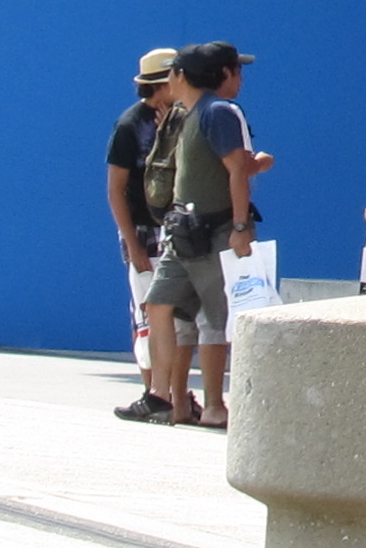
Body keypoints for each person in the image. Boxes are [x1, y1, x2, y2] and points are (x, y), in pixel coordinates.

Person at [150, 42, 259, 427]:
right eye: (237, 71)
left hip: (217, 230)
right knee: (159, 305)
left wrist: (240, 227)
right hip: (185, 232)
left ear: (183, 75)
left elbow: (236, 170)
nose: (240, 79)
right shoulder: (193, 113)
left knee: (215, 320)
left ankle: (214, 405)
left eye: (171, 74)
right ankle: (162, 396)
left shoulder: (218, 112)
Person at [106, 47, 187, 421]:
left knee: (179, 317)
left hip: (178, 229)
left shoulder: (182, 120)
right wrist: (132, 242)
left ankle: (175, 394)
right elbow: (115, 188)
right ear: (161, 85)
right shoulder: (129, 125)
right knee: (148, 313)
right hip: (143, 231)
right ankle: (152, 390)